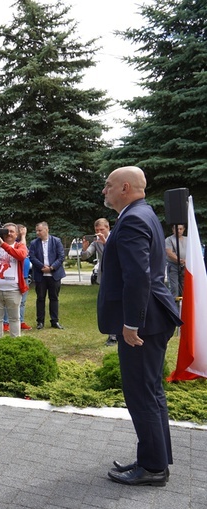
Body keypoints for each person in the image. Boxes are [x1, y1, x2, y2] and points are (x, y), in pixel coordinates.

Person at [99, 166, 182, 486]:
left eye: (107, 186)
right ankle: (155, 459)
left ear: (124, 187)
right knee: (151, 392)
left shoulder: (133, 218)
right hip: (154, 318)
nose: (104, 191)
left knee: (141, 394)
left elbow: (138, 277)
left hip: (143, 323)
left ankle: (152, 467)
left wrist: (131, 323)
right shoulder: (144, 213)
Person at [0, 223, 29, 341]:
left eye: (12, 231)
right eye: (6, 231)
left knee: (14, 319)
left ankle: (15, 344)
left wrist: (3, 245)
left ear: (17, 234)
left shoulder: (19, 246)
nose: (9, 234)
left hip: (13, 290)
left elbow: (21, 256)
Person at [81, 218, 116, 346]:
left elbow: (116, 253)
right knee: (108, 305)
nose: (99, 232)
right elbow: (86, 256)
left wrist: (105, 242)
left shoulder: (115, 236)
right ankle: (112, 335)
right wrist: (84, 250)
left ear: (108, 228)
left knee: (118, 304)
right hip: (104, 275)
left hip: (118, 275)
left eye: (102, 229)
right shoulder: (96, 242)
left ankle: (120, 333)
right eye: (96, 230)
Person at [28, 221, 66, 329]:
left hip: (54, 275)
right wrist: (42, 267)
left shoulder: (56, 241)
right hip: (40, 275)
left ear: (46, 229)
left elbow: (61, 256)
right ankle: (40, 322)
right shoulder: (34, 243)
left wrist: (51, 268)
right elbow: (32, 257)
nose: (37, 233)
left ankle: (55, 321)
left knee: (54, 298)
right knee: (40, 298)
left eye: (39, 230)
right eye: (36, 231)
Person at [3, 224, 32, 332]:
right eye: (21, 230)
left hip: (24, 277)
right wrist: (23, 235)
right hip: (15, 277)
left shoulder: (21, 244)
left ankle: (21, 321)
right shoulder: (14, 245)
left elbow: (25, 252)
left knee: (22, 302)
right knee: (9, 302)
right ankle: (5, 323)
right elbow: (21, 252)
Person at [165, 224, 187, 298]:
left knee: (185, 287)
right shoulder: (169, 240)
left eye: (181, 229)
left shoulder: (187, 239)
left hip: (185, 266)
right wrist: (180, 260)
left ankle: (184, 306)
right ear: (173, 229)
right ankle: (174, 306)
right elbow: (169, 253)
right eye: (177, 229)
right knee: (174, 288)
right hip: (173, 266)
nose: (179, 231)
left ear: (184, 229)